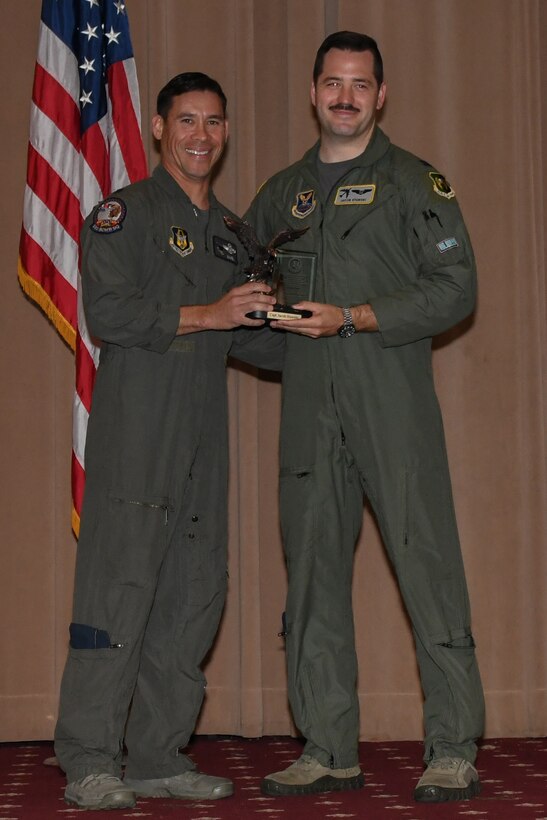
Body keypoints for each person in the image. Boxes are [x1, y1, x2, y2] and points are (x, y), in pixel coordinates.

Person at [245, 31, 484, 804]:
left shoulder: (413, 182)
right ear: (312, 93)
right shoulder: (282, 194)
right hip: (309, 413)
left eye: (358, 84)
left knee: (428, 569)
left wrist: (354, 317)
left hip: (391, 405)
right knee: (313, 576)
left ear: (380, 95)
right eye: (332, 83)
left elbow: (454, 288)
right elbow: (248, 299)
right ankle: (326, 746)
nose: (344, 97)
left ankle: (452, 748)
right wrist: (276, 335)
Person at [54, 72, 284, 811]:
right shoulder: (124, 214)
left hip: (201, 443)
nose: (201, 136)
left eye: (213, 122)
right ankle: (90, 760)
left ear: (226, 132)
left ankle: (157, 755)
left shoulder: (231, 233)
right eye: (187, 121)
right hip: (137, 437)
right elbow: (110, 312)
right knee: (117, 596)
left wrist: (318, 329)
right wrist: (211, 313)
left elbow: (248, 335)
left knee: (192, 598)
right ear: (158, 128)